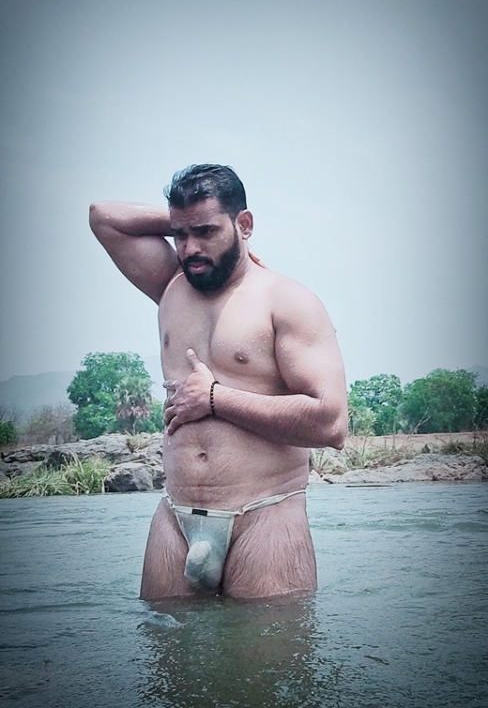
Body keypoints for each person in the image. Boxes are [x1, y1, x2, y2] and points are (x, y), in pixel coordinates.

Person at [89, 163, 347, 599]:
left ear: (244, 224)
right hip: (175, 519)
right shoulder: (171, 285)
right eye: (180, 235)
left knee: (268, 646)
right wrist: (185, 220)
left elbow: (331, 423)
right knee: (163, 643)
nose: (190, 248)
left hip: (265, 516)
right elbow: (103, 216)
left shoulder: (286, 300)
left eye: (206, 231)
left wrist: (214, 398)